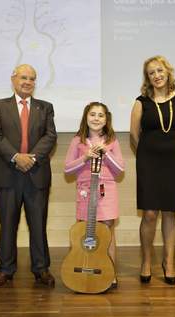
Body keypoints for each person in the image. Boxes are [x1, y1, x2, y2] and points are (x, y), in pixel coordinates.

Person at [0, 64, 57, 288]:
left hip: (36, 174)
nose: (28, 82)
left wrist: (31, 158)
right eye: (24, 77)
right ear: (13, 79)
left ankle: (41, 269)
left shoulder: (45, 107)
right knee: (7, 224)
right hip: (8, 174)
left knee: (38, 224)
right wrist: (16, 156)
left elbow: (50, 136)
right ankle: (5, 269)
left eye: (32, 79)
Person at [130, 55, 175, 285]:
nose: (156, 76)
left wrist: (172, 152)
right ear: (147, 78)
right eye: (151, 73)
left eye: (159, 71)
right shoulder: (141, 102)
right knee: (149, 213)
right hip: (148, 161)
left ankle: (169, 262)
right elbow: (135, 135)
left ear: (168, 72)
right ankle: (146, 261)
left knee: (170, 212)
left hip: (174, 161)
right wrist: (147, 153)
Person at [64, 102, 125, 288]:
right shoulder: (77, 141)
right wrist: (85, 158)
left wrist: (106, 153)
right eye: (92, 114)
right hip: (85, 191)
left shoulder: (112, 141)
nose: (96, 118)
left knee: (107, 231)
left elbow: (120, 169)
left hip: (106, 189)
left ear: (107, 120)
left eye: (100, 115)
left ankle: (110, 273)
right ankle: (86, 267)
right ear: (86, 117)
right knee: (85, 230)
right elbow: (67, 169)